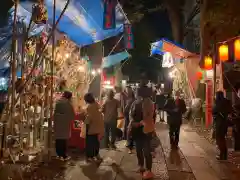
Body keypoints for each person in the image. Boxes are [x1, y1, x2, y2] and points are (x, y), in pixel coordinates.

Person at [128, 86, 155, 179]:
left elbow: (150, 115)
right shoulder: (135, 103)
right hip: (137, 129)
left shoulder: (149, 103)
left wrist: (142, 122)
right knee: (138, 149)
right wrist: (134, 123)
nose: (135, 93)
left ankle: (149, 170)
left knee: (147, 151)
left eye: (137, 92)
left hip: (146, 130)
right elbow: (130, 114)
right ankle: (141, 165)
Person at [54, 91, 75, 161]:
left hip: (58, 123)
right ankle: (63, 155)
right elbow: (72, 115)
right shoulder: (68, 104)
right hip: (65, 124)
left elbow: (55, 113)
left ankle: (58, 154)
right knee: (63, 140)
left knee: (58, 139)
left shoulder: (57, 102)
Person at [83, 93, 104, 162]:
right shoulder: (96, 104)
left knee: (90, 142)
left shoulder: (90, 107)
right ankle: (96, 154)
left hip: (92, 127)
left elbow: (89, 118)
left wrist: (85, 121)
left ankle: (90, 156)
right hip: (98, 126)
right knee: (96, 141)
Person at [213, 91, 231, 160]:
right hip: (225, 123)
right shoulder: (227, 102)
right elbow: (230, 111)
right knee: (222, 138)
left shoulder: (218, 102)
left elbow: (214, 111)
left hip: (219, 123)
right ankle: (224, 155)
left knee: (219, 139)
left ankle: (221, 155)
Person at [123, 86, 135, 153]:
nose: (127, 92)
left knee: (129, 129)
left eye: (128, 91)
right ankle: (129, 142)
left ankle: (129, 143)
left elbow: (126, 109)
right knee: (129, 129)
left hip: (130, 117)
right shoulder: (129, 99)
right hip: (129, 116)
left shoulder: (130, 100)